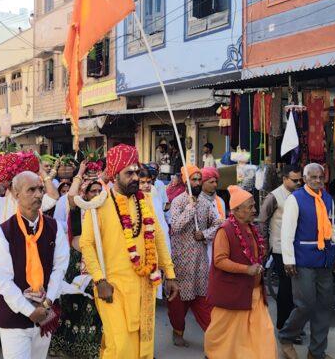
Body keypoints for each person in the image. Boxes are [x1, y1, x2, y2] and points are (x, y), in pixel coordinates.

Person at [79, 144, 178, 358]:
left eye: (137, 172)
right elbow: (86, 244)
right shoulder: (98, 204)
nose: (135, 177)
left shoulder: (146, 201)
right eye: (129, 173)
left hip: (144, 285)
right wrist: (99, 280)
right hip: (112, 286)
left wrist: (169, 273)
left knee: (142, 344)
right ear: (115, 175)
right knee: (121, 346)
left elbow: (159, 236)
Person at [0, 171, 70, 359]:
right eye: (31, 190)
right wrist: (29, 310)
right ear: (16, 194)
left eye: (41, 189)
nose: (39, 194)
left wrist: (47, 301)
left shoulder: (54, 227)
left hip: (46, 311)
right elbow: (3, 280)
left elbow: (60, 267)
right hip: (15, 314)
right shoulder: (2, 232)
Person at [279, 163, 335, 359]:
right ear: (305, 179)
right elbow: (287, 232)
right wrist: (288, 260)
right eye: (312, 177)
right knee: (305, 304)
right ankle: (286, 336)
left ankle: (316, 352)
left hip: (325, 259)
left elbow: (331, 229)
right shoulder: (295, 199)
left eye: (320, 177)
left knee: (324, 306)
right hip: (303, 259)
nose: (317, 181)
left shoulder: (328, 199)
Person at [204, 186, 277, 358]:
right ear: (236, 210)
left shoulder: (251, 227)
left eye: (254, 206)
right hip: (232, 294)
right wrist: (247, 269)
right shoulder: (225, 230)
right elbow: (219, 260)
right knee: (223, 338)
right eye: (250, 206)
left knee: (263, 332)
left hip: (255, 293)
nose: (255, 210)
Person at [50, 163, 105, 358]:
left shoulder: (104, 209)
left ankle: (91, 349)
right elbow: (72, 196)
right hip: (75, 261)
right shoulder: (77, 207)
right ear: (85, 193)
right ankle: (65, 346)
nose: (96, 194)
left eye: (100, 190)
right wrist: (80, 174)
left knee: (93, 307)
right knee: (71, 303)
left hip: (97, 261)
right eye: (93, 191)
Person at [167, 165, 221, 347]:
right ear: (185, 181)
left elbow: (218, 225)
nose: (197, 183)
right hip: (180, 260)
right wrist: (190, 208)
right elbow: (175, 226)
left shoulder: (206, 203)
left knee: (202, 300)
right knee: (178, 301)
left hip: (199, 261)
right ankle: (177, 332)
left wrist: (204, 234)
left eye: (199, 179)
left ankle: (215, 338)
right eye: (194, 179)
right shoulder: (178, 202)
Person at [258, 165, 303, 333]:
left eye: (300, 180)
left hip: (299, 248)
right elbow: (262, 220)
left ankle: (295, 324)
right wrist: (265, 244)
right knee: (286, 288)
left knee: (299, 289)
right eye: (294, 180)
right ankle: (284, 325)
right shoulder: (274, 197)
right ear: (285, 179)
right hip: (280, 248)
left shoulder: (301, 194)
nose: (299, 183)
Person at [0, 152, 59, 225]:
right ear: (10, 188)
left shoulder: (34, 201)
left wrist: (42, 172)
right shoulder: (1, 204)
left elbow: (54, 196)